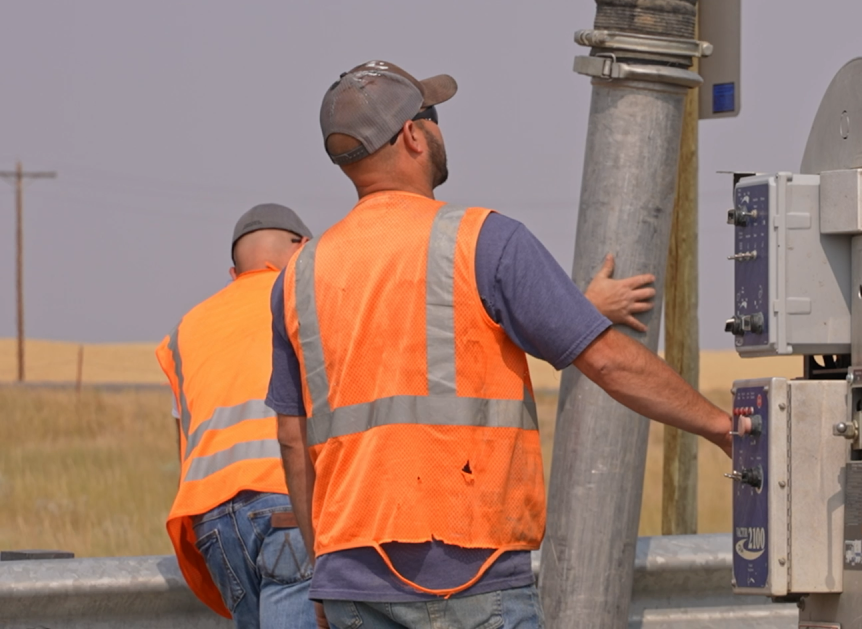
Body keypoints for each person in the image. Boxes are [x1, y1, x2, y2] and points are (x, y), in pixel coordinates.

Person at [265, 60, 734, 629]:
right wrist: (720, 426)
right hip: (470, 574)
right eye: (430, 117)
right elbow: (608, 360)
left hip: (350, 582)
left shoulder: (297, 277)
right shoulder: (482, 241)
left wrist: (322, 569)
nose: (438, 131)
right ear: (412, 135)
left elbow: (293, 441)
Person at [157, 203, 318, 629]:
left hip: (214, 523)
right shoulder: (306, 301)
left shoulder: (186, 330)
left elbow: (185, 439)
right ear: (303, 249)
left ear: (234, 275)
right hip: (291, 507)